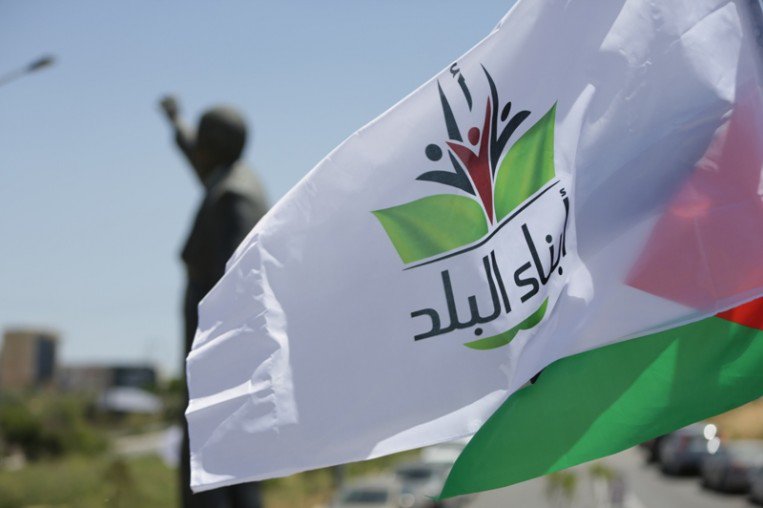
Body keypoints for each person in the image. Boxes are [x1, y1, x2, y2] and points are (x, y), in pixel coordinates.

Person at [160, 96, 268, 508]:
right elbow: (195, 158)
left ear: (214, 147)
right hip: (211, 354)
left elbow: (236, 284)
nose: (196, 150)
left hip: (218, 357)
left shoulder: (234, 197)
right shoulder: (226, 179)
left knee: (216, 454)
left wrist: (220, 357)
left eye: (201, 142)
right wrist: (176, 121)